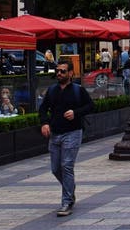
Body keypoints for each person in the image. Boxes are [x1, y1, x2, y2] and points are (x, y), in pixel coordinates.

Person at [38, 58, 94, 217]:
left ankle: (66, 202)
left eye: (63, 71)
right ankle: (70, 189)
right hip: (55, 133)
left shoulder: (78, 90)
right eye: (58, 71)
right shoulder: (52, 90)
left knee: (67, 165)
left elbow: (90, 106)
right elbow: (43, 109)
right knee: (55, 168)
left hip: (73, 132)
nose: (59, 74)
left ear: (71, 73)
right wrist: (44, 123)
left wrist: (75, 113)